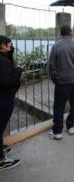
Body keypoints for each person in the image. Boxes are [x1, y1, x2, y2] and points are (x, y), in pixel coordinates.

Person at [48, 26, 74, 140]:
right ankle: (70, 127)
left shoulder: (56, 46)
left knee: (59, 106)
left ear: (61, 33)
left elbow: (51, 66)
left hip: (62, 83)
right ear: (70, 33)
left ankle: (58, 131)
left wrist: (55, 79)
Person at [0, 36, 23, 171]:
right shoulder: (2, 62)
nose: (11, 46)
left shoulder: (4, 59)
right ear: (2, 46)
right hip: (4, 98)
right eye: (9, 45)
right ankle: (1, 161)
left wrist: (10, 55)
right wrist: (19, 71)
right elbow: (7, 81)